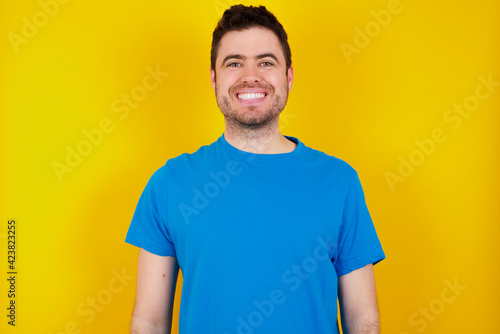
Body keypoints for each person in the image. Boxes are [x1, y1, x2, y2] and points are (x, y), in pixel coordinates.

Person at [125, 4, 385, 334]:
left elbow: (362, 317)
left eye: (266, 62)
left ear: (288, 75)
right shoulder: (169, 183)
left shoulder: (340, 181)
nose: (251, 75)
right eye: (234, 63)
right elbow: (149, 321)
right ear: (214, 77)